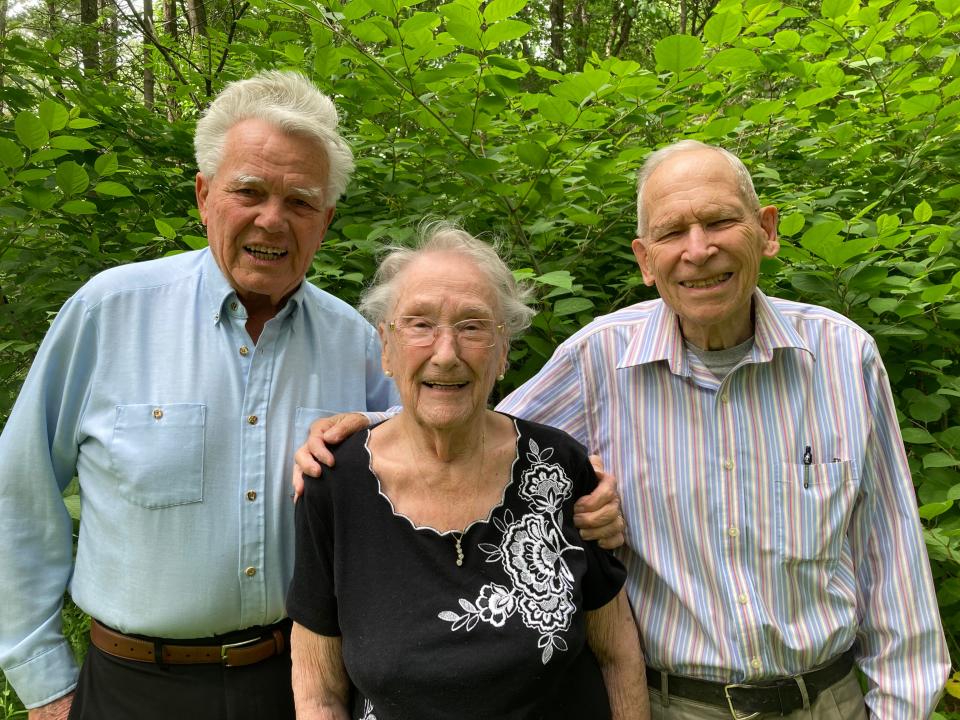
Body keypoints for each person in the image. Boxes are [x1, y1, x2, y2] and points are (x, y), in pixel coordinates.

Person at [299, 140, 950, 718]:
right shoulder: (599, 361)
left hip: (828, 702)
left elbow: (889, 558)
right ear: (644, 258)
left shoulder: (842, 356)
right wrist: (369, 431)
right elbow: (472, 422)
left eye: (720, 221)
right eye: (672, 232)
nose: (699, 250)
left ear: (767, 230)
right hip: (674, 704)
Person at [0, 71, 401, 720]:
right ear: (204, 195)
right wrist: (45, 684)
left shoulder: (355, 344)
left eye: (300, 202)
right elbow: (17, 491)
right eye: (249, 191)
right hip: (131, 691)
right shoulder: (110, 312)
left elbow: (431, 471)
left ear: (325, 222)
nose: (273, 218)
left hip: (301, 688)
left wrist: (577, 495)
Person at [286, 224, 648, 719]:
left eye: (473, 326)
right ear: (386, 347)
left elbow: (619, 657)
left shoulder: (558, 469)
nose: (446, 353)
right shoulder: (334, 482)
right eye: (419, 324)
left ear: (502, 352)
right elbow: (318, 690)